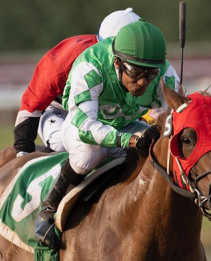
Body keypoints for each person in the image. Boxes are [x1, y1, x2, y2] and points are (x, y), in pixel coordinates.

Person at [34, 20, 181, 248]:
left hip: (126, 123)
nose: (142, 82)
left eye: (150, 74)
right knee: (89, 155)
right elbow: (84, 126)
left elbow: (176, 114)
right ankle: (49, 208)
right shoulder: (90, 67)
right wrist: (129, 140)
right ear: (117, 62)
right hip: (82, 125)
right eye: (135, 73)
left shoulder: (166, 75)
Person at [13, 8, 142, 156]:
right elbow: (32, 104)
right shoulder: (60, 64)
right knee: (65, 145)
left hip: (100, 110)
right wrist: (23, 149)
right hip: (60, 109)